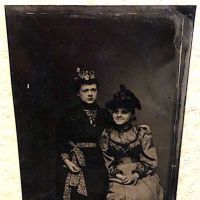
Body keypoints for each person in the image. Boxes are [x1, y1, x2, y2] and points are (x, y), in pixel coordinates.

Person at [100, 84, 163, 200]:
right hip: (117, 175)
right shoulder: (107, 134)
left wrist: (135, 175)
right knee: (117, 195)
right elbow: (107, 160)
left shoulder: (142, 133)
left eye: (124, 112)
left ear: (132, 114)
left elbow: (149, 160)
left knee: (144, 194)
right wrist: (118, 175)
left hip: (140, 174)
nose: (119, 115)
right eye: (115, 111)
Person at [58, 67, 112, 200]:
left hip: (99, 160)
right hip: (77, 161)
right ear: (78, 93)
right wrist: (67, 161)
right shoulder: (69, 115)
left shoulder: (104, 114)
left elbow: (112, 138)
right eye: (85, 90)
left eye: (93, 90)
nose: (90, 94)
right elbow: (60, 140)